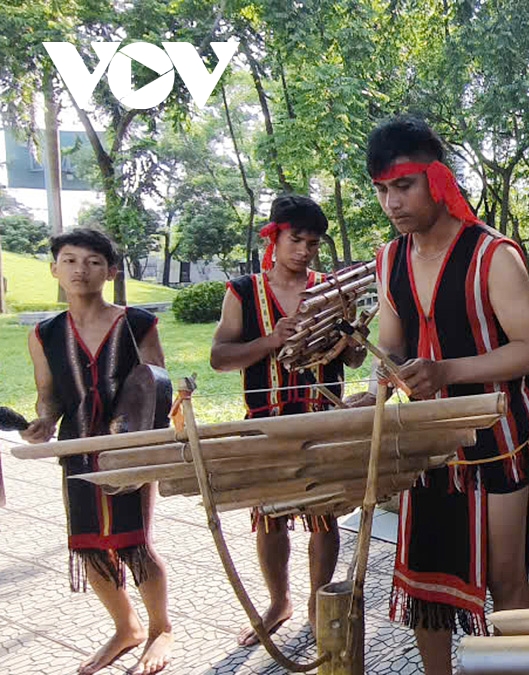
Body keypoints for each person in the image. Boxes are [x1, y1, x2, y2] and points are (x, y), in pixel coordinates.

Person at [364, 114, 529, 675]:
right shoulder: (390, 259)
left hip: (497, 435)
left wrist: (446, 369)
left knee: (504, 575)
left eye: (404, 186)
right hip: (426, 438)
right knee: (425, 576)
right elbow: (392, 346)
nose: (392, 203)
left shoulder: (493, 254)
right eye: (382, 190)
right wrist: (379, 385)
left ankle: (517, 669)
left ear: (438, 179)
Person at [210, 195, 366, 645]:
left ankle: (318, 601)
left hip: (321, 420)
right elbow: (220, 357)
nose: (304, 250)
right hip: (267, 422)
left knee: (324, 516)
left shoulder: (332, 290)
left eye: (312, 243)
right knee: (270, 518)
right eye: (295, 239)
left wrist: (354, 343)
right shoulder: (243, 291)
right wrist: (270, 340)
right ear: (273, 238)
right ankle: (279, 601)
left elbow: (353, 360)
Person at [22, 229, 174, 674]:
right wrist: (44, 422)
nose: (80, 270)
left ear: (110, 272)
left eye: (92, 262)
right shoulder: (44, 334)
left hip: (129, 450)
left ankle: (160, 628)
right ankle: (125, 628)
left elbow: (155, 386)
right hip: (77, 450)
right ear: (54, 269)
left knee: (134, 542)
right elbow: (48, 396)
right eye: (69, 260)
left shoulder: (138, 323)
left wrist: (151, 447)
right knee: (88, 545)